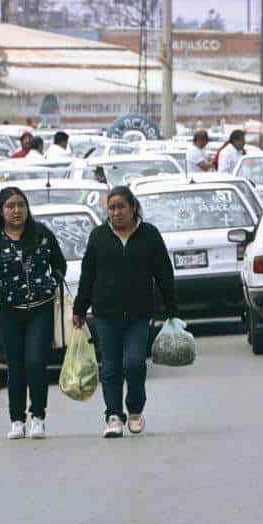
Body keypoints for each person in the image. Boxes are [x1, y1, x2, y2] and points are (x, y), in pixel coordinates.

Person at [73, 186, 177, 439]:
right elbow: (87, 275)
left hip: (139, 314)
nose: (117, 213)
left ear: (133, 207)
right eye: (112, 208)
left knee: (134, 364)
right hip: (106, 314)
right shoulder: (98, 237)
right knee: (110, 366)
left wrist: (171, 309)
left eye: (121, 207)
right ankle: (112, 416)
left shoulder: (149, 235)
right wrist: (79, 308)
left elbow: (164, 273)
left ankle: (135, 410)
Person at [0, 187, 68, 440]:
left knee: (36, 363)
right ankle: (17, 420)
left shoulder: (42, 235)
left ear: (27, 208)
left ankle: (38, 416)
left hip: (40, 309)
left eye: (21, 205)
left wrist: (53, 280)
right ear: (1, 211)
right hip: (10, 312)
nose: (17, 211)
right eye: (11, 206)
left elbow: (60, 263)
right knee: (15, 366)